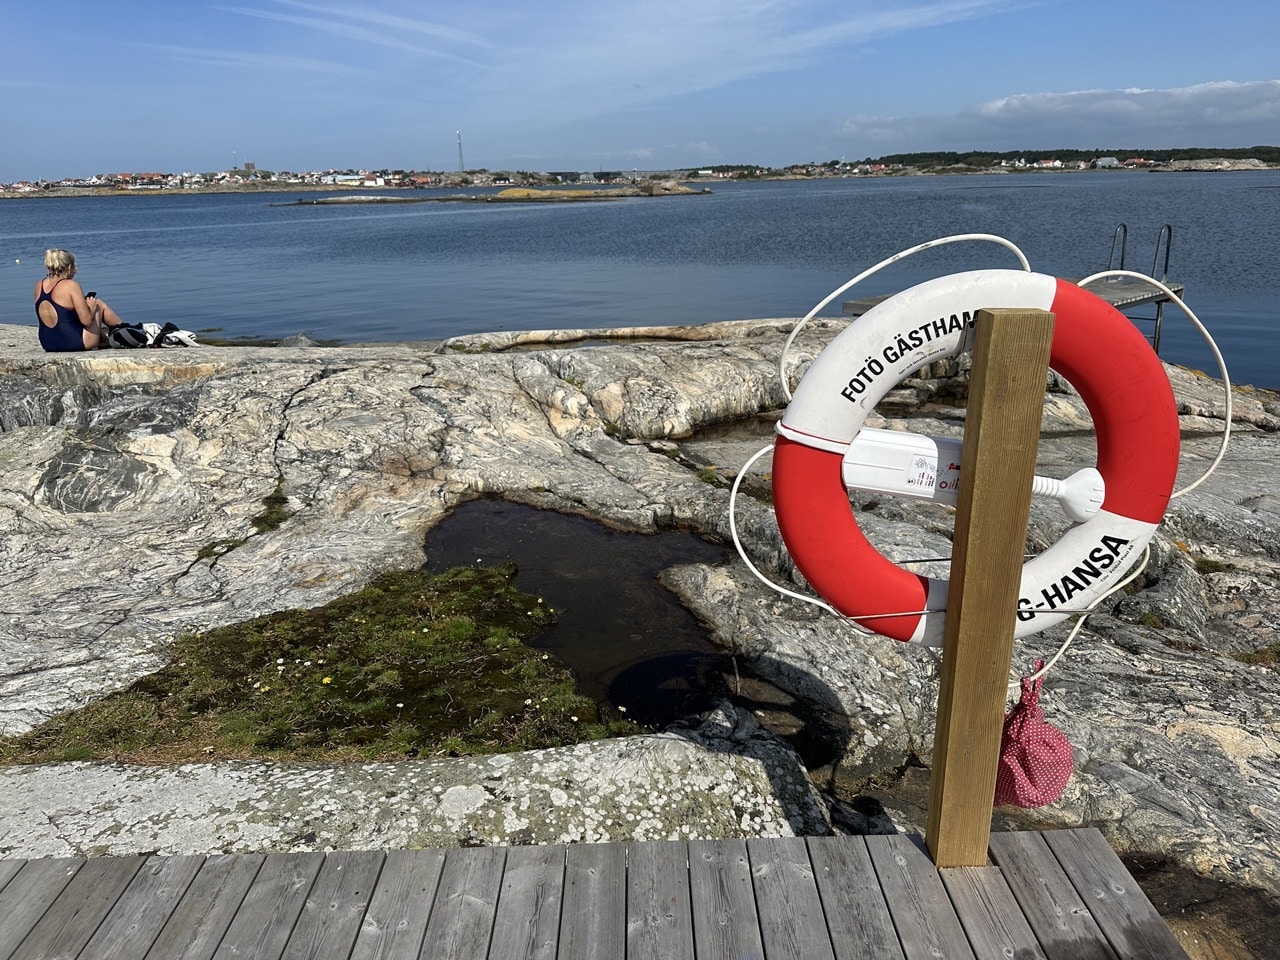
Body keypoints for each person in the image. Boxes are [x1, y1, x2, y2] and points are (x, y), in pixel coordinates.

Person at [34, 248, 126, 351]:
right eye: (75, 267)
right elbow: (86, 321)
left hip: (48, 344)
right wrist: (91, 308)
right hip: (74, 343)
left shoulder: (39, 285)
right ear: (69, 267)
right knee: (98, 304)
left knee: (74, 313)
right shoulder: (71, 285)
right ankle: (126, 331)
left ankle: (105, 340)